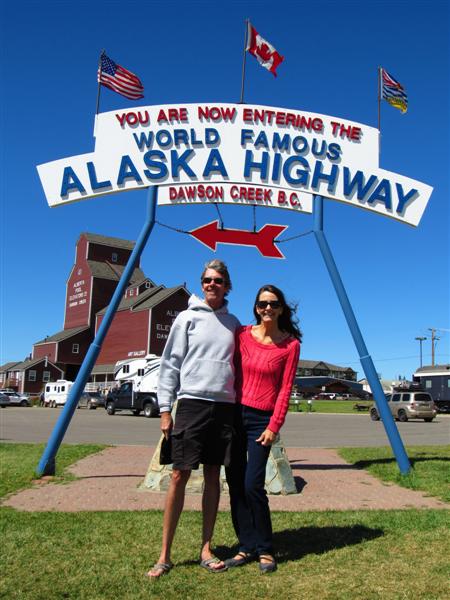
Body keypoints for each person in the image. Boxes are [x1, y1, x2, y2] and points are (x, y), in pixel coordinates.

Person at [147, 259, 240, 578]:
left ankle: (206, 548)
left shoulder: (233, 324)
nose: (212, 284)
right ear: (202, 284)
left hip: (224, 407)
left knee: (214, 476)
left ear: (227, 286)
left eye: (218, 280)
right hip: (191, 405)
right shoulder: (186, 318)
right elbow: (170, 365)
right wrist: (164, 410)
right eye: (207, 280)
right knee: (179, 475)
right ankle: (164, 555)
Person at [225, 284, 301, 573]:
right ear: (256, 308)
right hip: (234, 415)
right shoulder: (242, 335)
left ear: (281, 309)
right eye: (262, 304)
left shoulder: (290, 345)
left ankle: (265, 549)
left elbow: (285, 389)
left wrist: (274, 425)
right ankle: (245, 546)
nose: (267, 308)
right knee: (235, 484)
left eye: (273, 303)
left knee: (252, 485)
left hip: (261, 421)